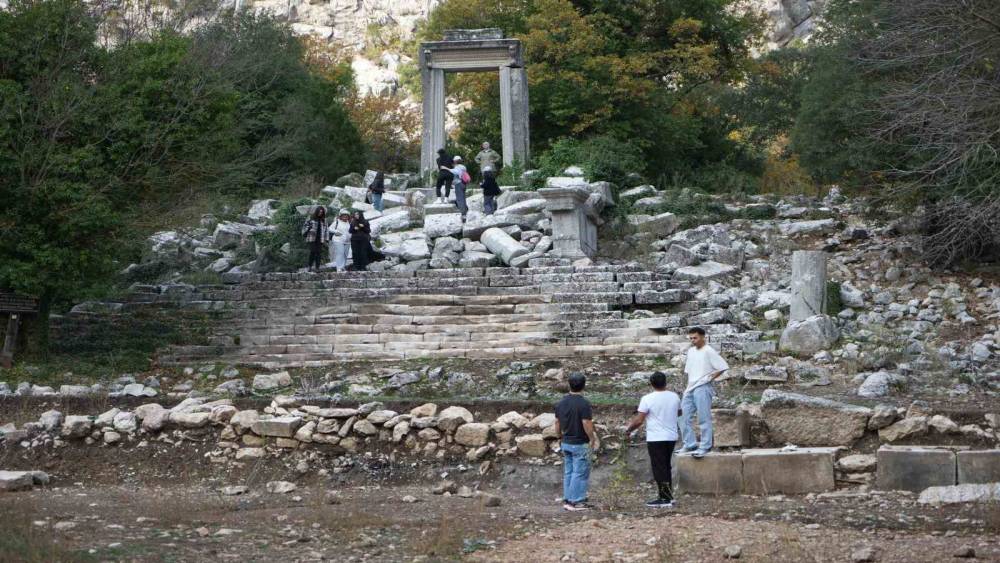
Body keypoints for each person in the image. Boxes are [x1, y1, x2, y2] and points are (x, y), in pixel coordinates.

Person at [624, 371, 681, 508]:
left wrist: (628, 430)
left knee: (659, 467)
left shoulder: (647, 398)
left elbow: (639, 420)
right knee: (666, 465)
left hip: (656, 437)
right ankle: (668, 495)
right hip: (671, 436)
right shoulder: (675, 397)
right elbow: (679, 412)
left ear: (651, 384)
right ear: (665, 382)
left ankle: (664, 498)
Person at [680, 327, 729, 458]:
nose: (692, 340)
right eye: (690, 338)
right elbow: (689, 371)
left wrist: (709, 378)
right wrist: (687, 387)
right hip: (690, 387)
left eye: (695, 338)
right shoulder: (690, 351)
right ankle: (689, 444)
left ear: (703, 337)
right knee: (683, 416)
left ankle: (705, 446)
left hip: (703, 387)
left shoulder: (709, 350)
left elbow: (723, 366)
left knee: (703, 417)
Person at [554, 372, 598, 511]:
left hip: (566, 441)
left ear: (569, 384)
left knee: (569, 471)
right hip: (580, 442)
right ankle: (576, 501)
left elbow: (557, 422)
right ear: (584, 385)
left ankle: (568, 498)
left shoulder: (561, 403)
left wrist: (559, 437)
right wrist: (592, 438)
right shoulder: (583, 403)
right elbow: (586, 422)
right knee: (580, 472)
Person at [301, 206, 328, 272]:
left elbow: (326, 230)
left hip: (320, 238)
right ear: (317, 211)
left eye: (322, 212)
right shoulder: (311, 218)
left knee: (318, 253)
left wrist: (326, 239)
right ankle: (309, 266)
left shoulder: (324, 220)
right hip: (312, 238)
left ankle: (317, 267)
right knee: (312, 252)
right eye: (319, 212)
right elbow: (305, 226)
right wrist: (309, 228)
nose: (320, 213)